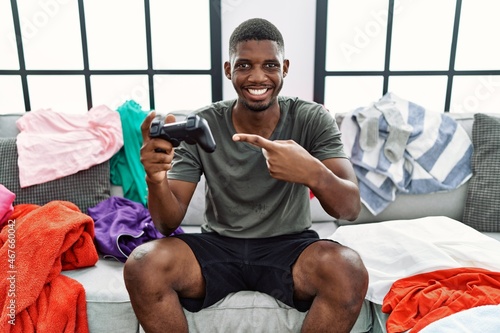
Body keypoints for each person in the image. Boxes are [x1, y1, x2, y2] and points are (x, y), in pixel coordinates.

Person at [124, 18, 368, 333]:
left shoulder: (311, 118)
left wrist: (312, 172)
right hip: (218, 244)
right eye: (244, 66)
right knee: (143, 263)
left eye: (270, 65)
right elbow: (166, 223)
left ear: (285, 68)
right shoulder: (203, 123)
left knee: (348, 269)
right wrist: (155, 178)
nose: (257, 76)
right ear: (228, 70)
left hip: (290, 246)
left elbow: (349, 209)